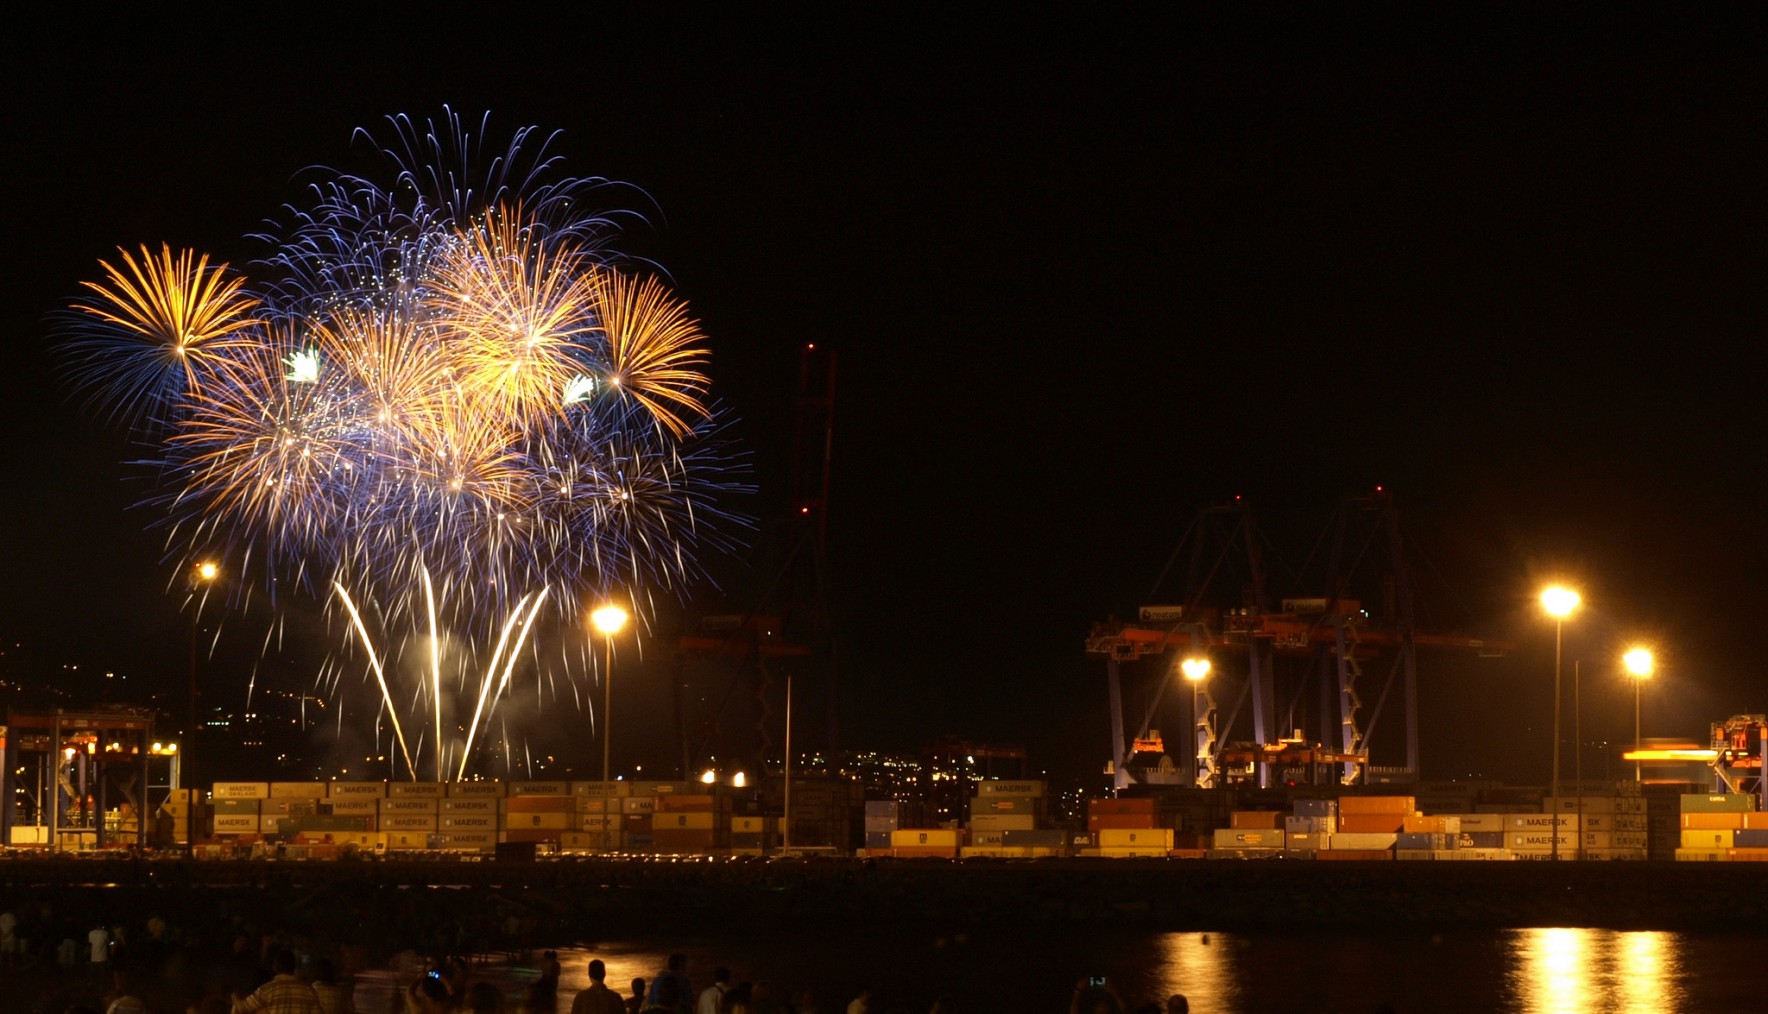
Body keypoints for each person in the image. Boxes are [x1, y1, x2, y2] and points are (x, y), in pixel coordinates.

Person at [231, 949, 321, 1013]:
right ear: (294, 968)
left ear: (274, 967)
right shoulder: (310, 991)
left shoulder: (267, 989)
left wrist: (234, 996)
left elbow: (243, 1007)